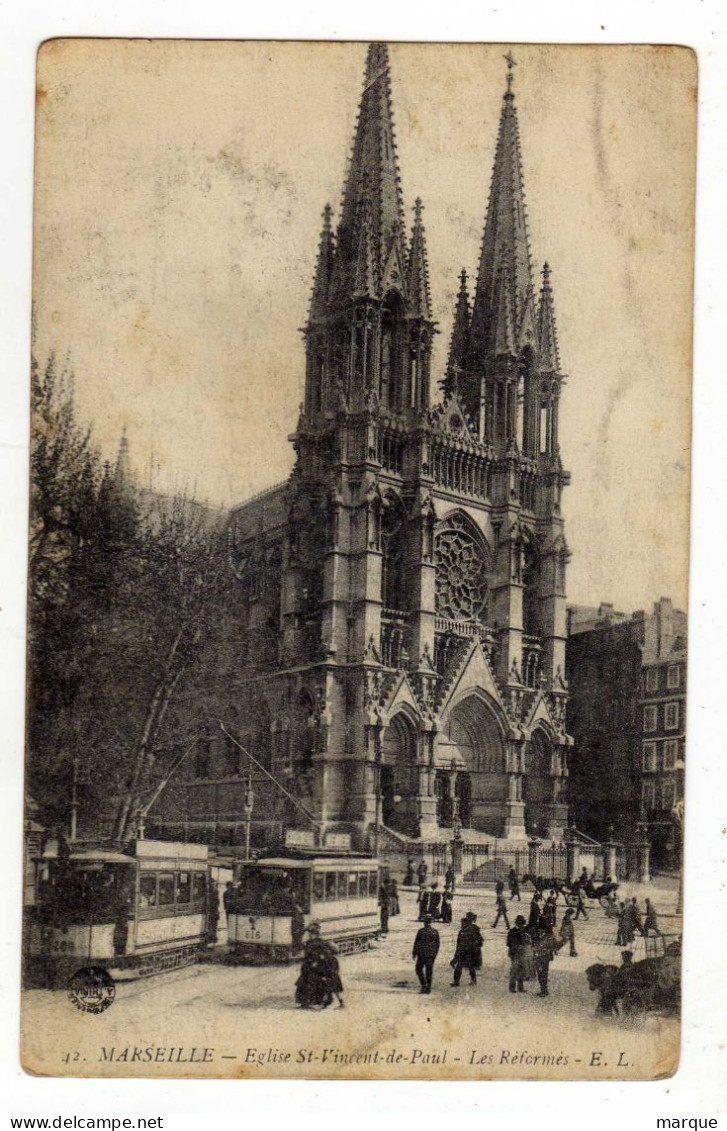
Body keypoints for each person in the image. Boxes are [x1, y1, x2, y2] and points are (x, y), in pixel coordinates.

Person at [295, 923, 344, 1009]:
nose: (309, 935)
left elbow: (320, 956)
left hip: (315, 967)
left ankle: (317, 1002)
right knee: (306, 982)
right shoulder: (313, 943)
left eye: (311, 933)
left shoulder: (318, 943)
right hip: (311, 966)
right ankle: (307, 1003)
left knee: (314, 983)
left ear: (314, 934)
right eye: (309, 933)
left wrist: (316, 963)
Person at [450, 912, 483, 987]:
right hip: (462, 952)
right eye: (461, 924)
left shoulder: (472, 930)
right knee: (459, 967)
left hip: (469, 953)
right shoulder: (461, 932)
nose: (461, 925)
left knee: (470, 967)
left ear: (466, 923)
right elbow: (458, 944)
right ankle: (456, 982)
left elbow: (478, 942)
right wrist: (456, 955)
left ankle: (473, 981)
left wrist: (475, 951)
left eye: (463, 924)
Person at [530, 916, 559, 997]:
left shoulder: (550, 934)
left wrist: (552, 950)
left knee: (543, 973)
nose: (540, 931)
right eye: (540, 929)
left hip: (545, 957)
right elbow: (532, 943)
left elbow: (555, 944)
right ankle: (543, 989)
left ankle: (544, 990)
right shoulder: (536, 933)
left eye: (542, 929)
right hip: (537, 956)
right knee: (540, 973)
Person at [412, 914, 440, 994]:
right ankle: (429, 988)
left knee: (418, 969)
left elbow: (416, 943)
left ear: (424, 922)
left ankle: (424, 984)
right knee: (429, 971)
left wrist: (414, 953)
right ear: (431, 922)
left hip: (421, 955)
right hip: (431, 955)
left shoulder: (421, 931)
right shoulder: (435, 932)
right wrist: (434, 954)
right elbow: (437, 945)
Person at [506, 914, 533, 993]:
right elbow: (508, 943)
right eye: (521, 924)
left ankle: (520, 988)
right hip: (514, 954)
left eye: (522, 924)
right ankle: (512, 988)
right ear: (517, 923)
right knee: (514, 971)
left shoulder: (524, 931)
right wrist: (518, 945)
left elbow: (528, 942)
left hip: (522, 953)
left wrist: (527, 941)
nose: (522, 925)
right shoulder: (512, 931)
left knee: (521, 970)